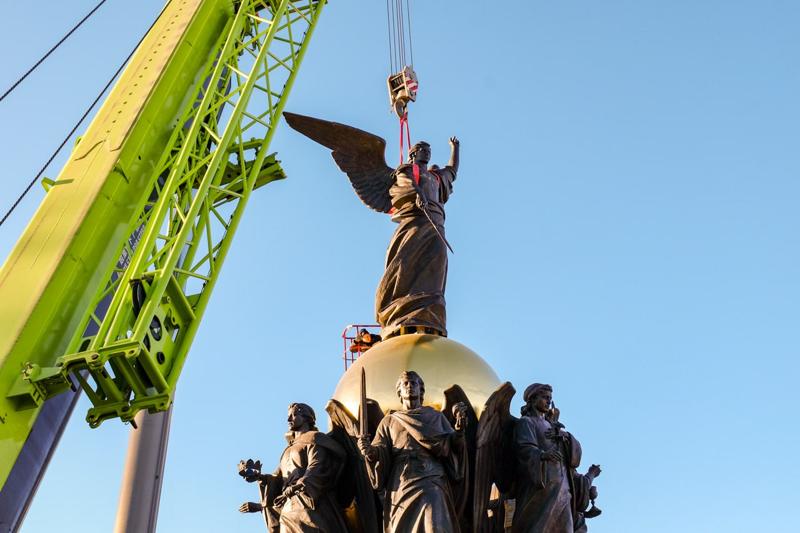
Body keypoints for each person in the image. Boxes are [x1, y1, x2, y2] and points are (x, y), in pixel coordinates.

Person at [358, 371, 468, 532]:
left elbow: (453, 447)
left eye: (413, 383)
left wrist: (459, 429)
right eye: (405, 383)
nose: (409, 386)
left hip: (431, 478)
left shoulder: (435, 417)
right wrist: (369, 451)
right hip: (402, 481)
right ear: (399, 392)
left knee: (435, 524)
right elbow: (380, 451)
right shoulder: (389, 422)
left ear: (421, 390)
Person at [376, 138, 459, 338]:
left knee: (438, 259)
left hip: (435, 222)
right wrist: (417, 193)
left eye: (428, 150)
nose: (427, 152)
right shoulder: (407, 170)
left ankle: (430, 305)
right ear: (413, 153)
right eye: (422, 149)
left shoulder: (436, 177)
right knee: (405, 261)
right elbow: (405, 185)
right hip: (414, 222)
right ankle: (398, 305)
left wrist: (455, 149)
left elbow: (452, 171)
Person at [238, 403, 348, 533]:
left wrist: (299, 485)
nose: (288, 419)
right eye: (288, 415)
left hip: (309, 503)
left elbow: (317, 466)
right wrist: (260, 477)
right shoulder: (288, 449)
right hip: (288, 509)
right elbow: (278, 478)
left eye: (294, 415)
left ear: (306, 418)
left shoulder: (315, 439)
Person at [512, 384, 575, 533]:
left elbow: (574, 455)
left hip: (562, 485)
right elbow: (524, 449)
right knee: (539, 526)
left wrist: (564, 436)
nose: (548, 401)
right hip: (543, 485)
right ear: (533, 399)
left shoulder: (553, 426)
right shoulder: (527, 422)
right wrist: (542, 455)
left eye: (550, 398)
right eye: (545, 397)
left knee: (566, 528)